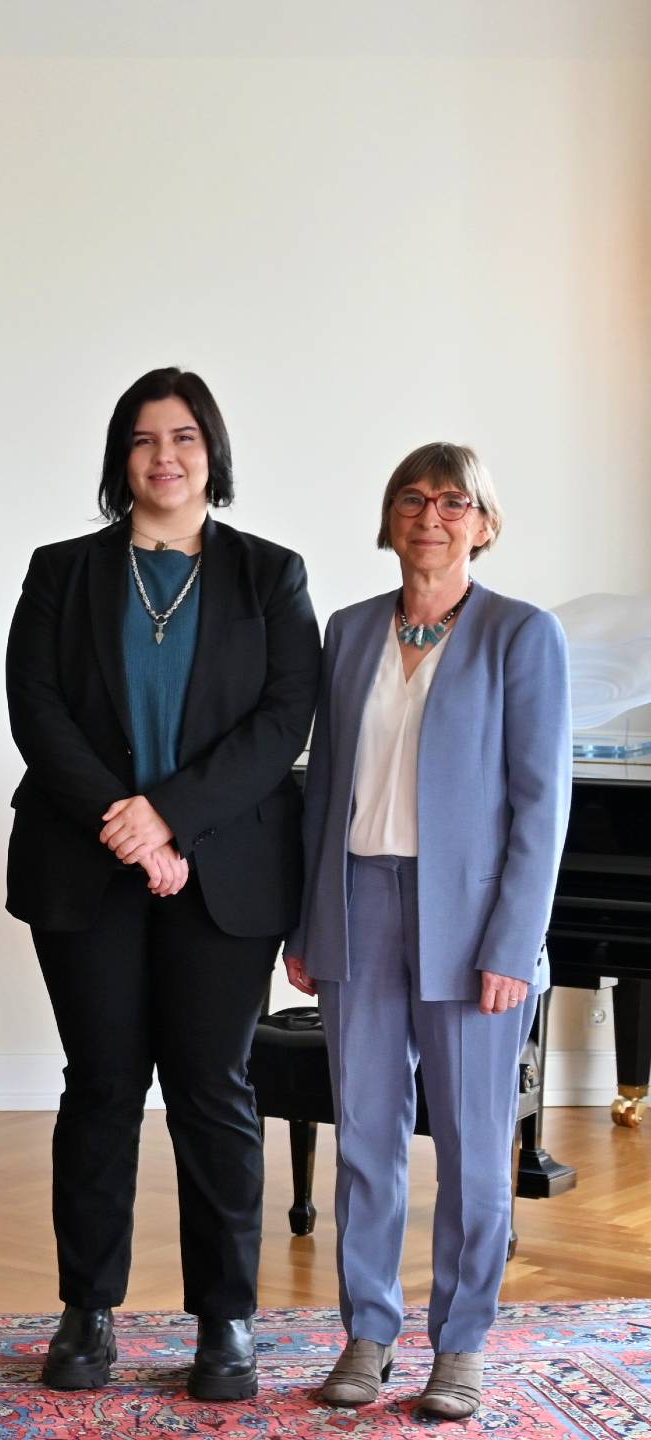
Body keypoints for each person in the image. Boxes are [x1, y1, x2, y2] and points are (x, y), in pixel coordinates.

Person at [4, 367, 319, 1401]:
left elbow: (283, 723)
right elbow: (36, 711)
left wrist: (172, 817)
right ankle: (87, 1314)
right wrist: (130, 828)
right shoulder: (61, 571)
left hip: (223, 875)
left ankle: (224, 1323)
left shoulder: (270, 575)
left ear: (211, 452)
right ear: (120, 459)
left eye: (184, 437)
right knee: (99, 1089)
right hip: (84, 869)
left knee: (213, 1094)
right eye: (144, 440)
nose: (165, 456)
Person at [286, 443, 570, 1421]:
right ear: (390, 516)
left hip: (473, 925)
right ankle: (367, 1334)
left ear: (484, 524)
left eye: (456, 501)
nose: (433, 514)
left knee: (475, 1146)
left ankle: (460, 1345)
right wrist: (310, 919)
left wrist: (512, 945)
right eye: (414, 497)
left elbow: (542, 807)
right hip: (358, 906)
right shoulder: (351, 631)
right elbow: (322, 788)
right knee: (366, 1135)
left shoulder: (521, 636)